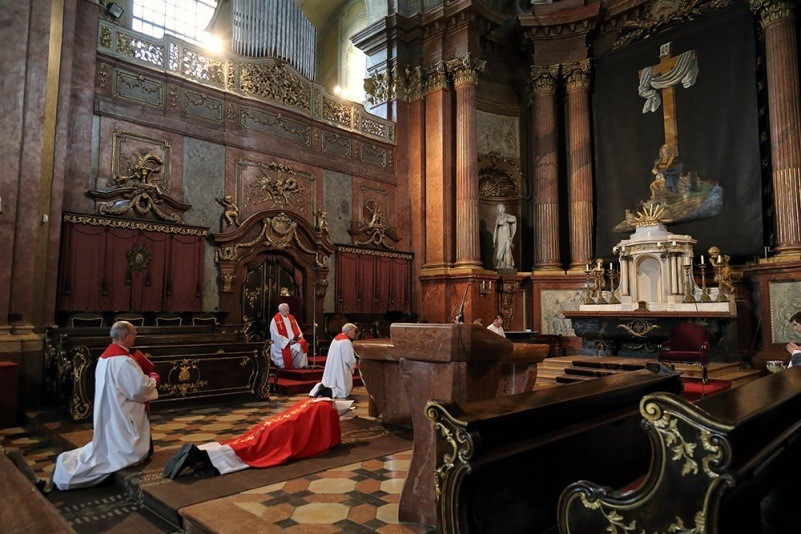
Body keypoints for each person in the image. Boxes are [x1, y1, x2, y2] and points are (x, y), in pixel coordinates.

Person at [52, 321, 159, 490]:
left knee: (112, 437)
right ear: (125, 336)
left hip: (112, 408)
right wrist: (153, 379)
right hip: (123, 410)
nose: (135, 337)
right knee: (124, 448)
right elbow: (138, 389)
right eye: (134, 334)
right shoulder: (124, 361)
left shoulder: (105, 358)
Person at [162, 397, 352, 479]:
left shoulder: (316, 401)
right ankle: (200, 456)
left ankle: (203, 450)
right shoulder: (327, 410)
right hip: (282, 435)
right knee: (252, 451)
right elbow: (329, 440)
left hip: (273, 425)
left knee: (245, 441)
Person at [309, 323, 358, 399]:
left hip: (333, 366)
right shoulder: (346, 342)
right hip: (341, 368)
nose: (355, 334)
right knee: (342, 391)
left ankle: (321, 388)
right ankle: (325, 391)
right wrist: (353, 365)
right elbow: (349, 359)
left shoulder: (335, 339)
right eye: (354, 331)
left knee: (333, 384)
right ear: (348, 331)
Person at [270, 303, 308, 369]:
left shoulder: (291, 318)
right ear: (280, 311)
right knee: (295, 347)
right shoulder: (275, 320)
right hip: (283, 345)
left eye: (288, 310)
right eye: (286, 311)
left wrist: (299, 336)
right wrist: (288, 342)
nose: (288, 312)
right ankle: (289, 364)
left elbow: (298, 329)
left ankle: (299, 365)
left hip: (294, 341)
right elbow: (275, 336)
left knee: (302, 343)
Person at [493, 203, 517, 270]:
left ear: (503, 208)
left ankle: (508, 264)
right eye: (498, 208)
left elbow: (514, 219)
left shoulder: (507, 215)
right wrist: (494, 240)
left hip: (507, 235)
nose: (499, 209)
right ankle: (500, 264)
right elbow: (497, 226)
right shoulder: (498, 217)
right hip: (500, 236)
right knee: (500, 250)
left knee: (507, 249)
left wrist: (506, 219)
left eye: (500, 207)